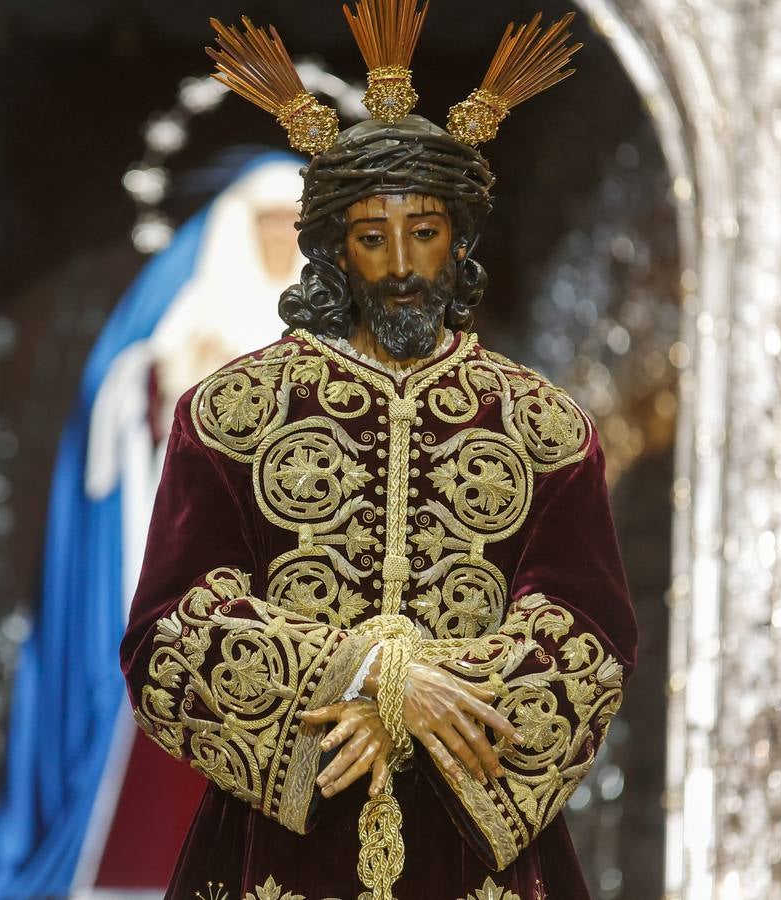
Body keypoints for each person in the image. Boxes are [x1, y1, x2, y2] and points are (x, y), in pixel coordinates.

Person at [119, 4, 637, 899]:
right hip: (279, 846)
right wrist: (369, 672)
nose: (401, 262)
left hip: (478, 852)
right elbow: (169, 634)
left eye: (425, 231)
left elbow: (588, 638)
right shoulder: (235, 413)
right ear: (333, 252)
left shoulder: (544, 430)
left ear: (461, 240)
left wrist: (426, 698)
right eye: (371, 236)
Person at [0, 155, 304, 899]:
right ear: (235, 228)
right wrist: (167, 382)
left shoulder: (333, 324)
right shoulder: (193, 308)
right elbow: (121, 399)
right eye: (268, 223)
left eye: (296, 224)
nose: (283, 239)